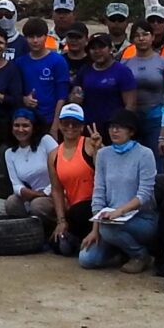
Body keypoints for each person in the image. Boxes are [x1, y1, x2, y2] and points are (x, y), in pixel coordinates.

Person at [76, 110, 159, 271]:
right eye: (112, 127)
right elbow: (98, 193)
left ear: (131, 131)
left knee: (108, 229)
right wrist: (95, 230)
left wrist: (119, 212)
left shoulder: (145, 154)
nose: (114, 131)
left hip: (141, 219)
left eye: (120, 128)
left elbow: (144, 195)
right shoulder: (103, 154)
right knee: (87, 259)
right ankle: (120, 251)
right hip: (109, 220)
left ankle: (140, 255)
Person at [43, 103, 98, 256]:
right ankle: (74, 238)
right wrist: (61, 220)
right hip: (72, 210)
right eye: (66, 122)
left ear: (82, 126)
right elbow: (57, 190)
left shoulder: (91, 144)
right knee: (58, 246)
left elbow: (105, 175)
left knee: (79, 211)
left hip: (93, 206)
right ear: (60, 124)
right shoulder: (54, 155)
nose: (70, 127)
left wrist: (98, 150)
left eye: (75, 123)